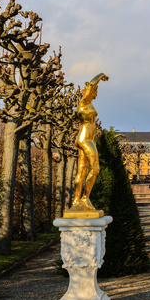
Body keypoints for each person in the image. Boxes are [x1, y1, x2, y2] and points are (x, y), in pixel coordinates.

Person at [67, 74, 109, 217]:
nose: (95, 93)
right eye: (94, 91)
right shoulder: (84, 102)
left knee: (82, 171)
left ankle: (76, 201)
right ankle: (85, 198)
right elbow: (91, 85)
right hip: (86, 139)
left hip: (86, 139)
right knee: (95, 169)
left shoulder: (89, 103)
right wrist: (101, 76)